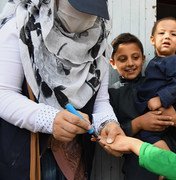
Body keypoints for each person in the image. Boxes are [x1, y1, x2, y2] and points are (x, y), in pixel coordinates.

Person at [0, 0, 123, 179]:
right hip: (27, 156)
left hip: (75, 158)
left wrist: (108, 124)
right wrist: (50, 119)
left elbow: (100, 102)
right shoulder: (22, 28)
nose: (85, 17)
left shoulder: (98, 43)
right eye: (78, 6)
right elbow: (3, 94)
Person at [109, 33, 176, 180]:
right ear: (113, 62)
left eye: (135, 57)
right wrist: (139, 123)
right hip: (137, 165)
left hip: (170, 156)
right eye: (122, 59)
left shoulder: (155, 84)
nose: (130, 63)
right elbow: (113, 132)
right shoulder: (111, 95)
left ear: (143, 59)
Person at [135, 17, 176, 154]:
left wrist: (161, 99)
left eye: (173, 34)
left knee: (147, 135)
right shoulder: (155, 62)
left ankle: (168, 161)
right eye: (162, 33)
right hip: (162, 106)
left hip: (170, 104)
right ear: (152, 39)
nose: (167, 36)